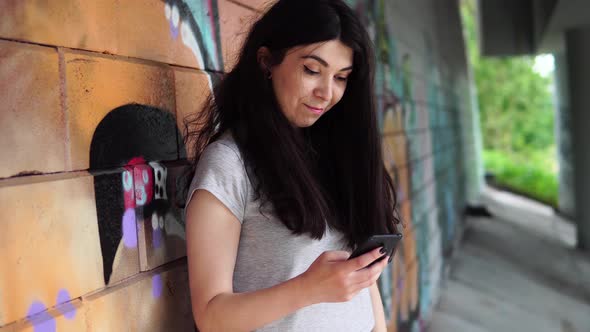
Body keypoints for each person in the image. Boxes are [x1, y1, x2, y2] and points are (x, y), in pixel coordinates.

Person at [183, 0, 401, 330]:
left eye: (341, 78)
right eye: (312, 71)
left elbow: (361, 283)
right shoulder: (230, 165)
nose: (326, 93)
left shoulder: (334, 155)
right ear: (267, 61)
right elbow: (211, 316)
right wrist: (309, 288)